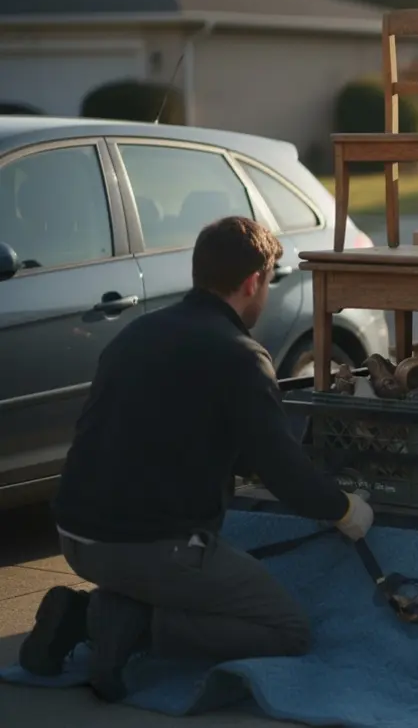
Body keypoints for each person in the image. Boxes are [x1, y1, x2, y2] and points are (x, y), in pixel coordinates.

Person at [19, 216, 374, 702]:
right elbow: (282, 470)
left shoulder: (138, 333)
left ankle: (97, 612)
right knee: (286, 629)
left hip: (74, 533)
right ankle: (118, 624)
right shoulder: (240, 355)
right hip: (146, 545)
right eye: (268, 283)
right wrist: (345, 509)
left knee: (167, 569)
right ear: (254, 282)